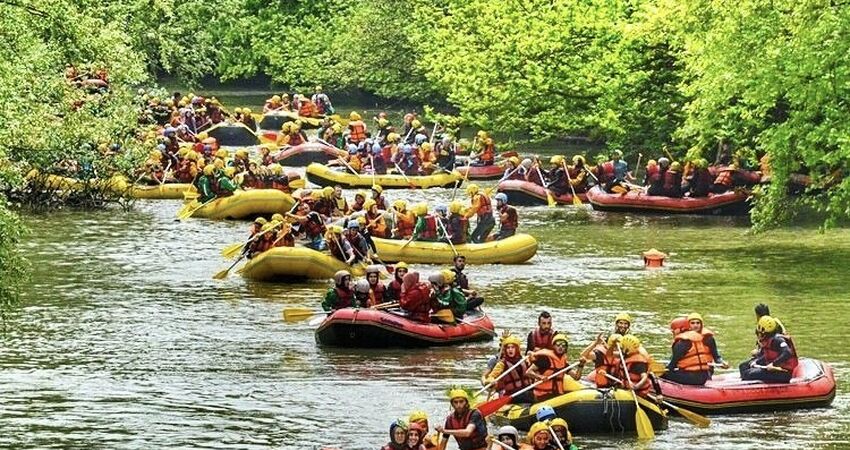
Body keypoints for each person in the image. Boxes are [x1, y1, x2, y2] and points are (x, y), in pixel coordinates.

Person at [663, 313, 729, 386]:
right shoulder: (689, 340)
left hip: (699, 374)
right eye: (692, 323)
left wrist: (663, 372)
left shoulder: (706, 339)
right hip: (702, 376)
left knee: (663, 375)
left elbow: (672, 365)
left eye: (698, 323)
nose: (695, 325)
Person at [525, 333, 584, 401]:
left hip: (556, 394)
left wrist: (581, 365)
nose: (560, 347)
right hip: (542, 395)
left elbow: (576, 377)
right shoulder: (545, 359)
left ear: (566, 348)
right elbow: (528, 372)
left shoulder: (563, 363)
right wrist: (540, 377)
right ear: (553, 346)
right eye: (558, 344)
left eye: (563, 345)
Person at [739, 315, 798, 383]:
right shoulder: (768, 340)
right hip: (774, 368)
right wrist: (756, 362)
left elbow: (787, 352)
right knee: (743, 366)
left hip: (783, 373)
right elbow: (768, 356)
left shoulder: (777, 340)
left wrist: (773, 364)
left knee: (748, 374)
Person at [482, 335, 532, 403]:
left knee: (531, 394)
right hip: (513, 393)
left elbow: (535, 368)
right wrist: (491, 381)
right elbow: (491, 377)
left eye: (512, 347)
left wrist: (532, 356)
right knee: (526, 396)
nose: (510, 349)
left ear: (517, 349)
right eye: (508, 348)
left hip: (528, 389)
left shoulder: (525, 359)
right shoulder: (502, 363)